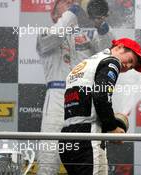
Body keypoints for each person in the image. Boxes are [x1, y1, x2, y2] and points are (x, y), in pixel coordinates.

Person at [36, 0, 114, 174]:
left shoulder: (85, 37)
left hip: (83, 99)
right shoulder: (45, 34)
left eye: (72, 2)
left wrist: (100, 25)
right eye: (65, 3)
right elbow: (56, 35)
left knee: (90, 156)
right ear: (54, 14)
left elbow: (107, 54)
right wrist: (71, 12)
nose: (72, 3)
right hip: (57, 97)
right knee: (49, 158)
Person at [59, 38, 141, 175]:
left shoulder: (87, 63)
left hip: (67, 138)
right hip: (88, 138)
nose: (127, 67)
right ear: (119, 47)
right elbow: (101, 95)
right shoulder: (112, 61)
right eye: (130, 60)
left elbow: (87, 101)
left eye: (131, 67)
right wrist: (112, 127)